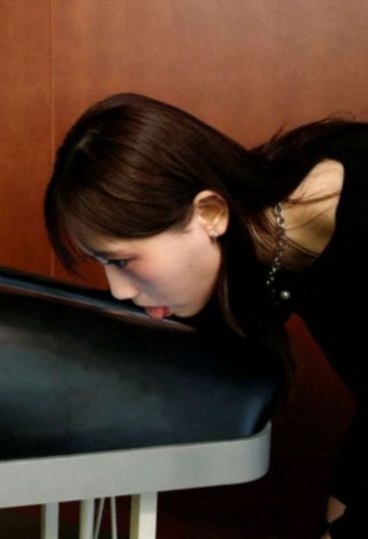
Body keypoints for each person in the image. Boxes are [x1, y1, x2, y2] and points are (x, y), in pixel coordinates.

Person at [44, 93, 367, 538]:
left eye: (122, 260)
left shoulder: (354, 206)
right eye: (102, 262)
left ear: (209, 213)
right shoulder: (249, 231)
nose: (119, 289)